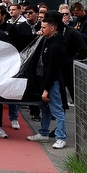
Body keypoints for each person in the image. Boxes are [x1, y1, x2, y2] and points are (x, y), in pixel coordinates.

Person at [27, 12, 69, 149]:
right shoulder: (48, 40)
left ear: (52, 29)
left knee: (57, 110)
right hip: (44, 79)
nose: (41, 29)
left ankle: (61, 137)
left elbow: (52, 69)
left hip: (52, 82)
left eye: (44, 27)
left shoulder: (56, 46)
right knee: (45, 108)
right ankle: (43, 133)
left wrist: (46, 88)